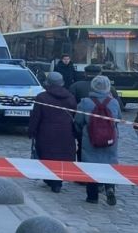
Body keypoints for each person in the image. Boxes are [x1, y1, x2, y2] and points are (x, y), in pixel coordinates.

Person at [74, 75, 121, 206]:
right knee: (110, 164)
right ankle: (110, 188)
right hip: (110, 140)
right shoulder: (114, 102)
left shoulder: (85, 102)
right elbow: (118, 119)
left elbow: (78, 121)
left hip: (90, 140)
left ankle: (92, 196)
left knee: (91, 166)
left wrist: (80, 132)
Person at [28, 72, 78, 193]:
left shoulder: (42, 98)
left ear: (48, 83)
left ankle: (51, 180)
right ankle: (57, 181)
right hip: (65, 133)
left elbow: (36, 117)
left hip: (46, 133)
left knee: (48, 156)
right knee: (61, 156)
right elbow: (74, 115)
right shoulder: (70, 97)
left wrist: (32, 131)